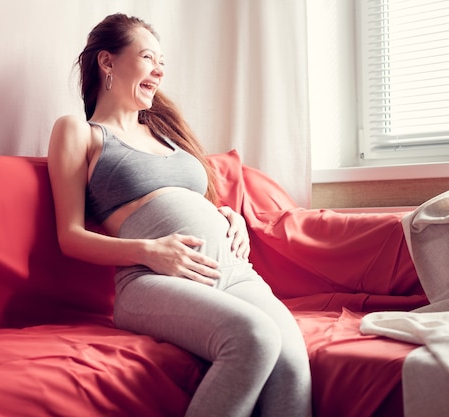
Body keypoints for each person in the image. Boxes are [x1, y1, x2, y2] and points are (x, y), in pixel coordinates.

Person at [47, 13, 312, 417]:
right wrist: (150, 251)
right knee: (254, 338)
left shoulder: (166, 135)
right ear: (107, 62)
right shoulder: (80, 132)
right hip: (151, 281)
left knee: (293, 362)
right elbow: (69, 237)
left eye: (162, 62)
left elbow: (192, 199)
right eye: (149, 57)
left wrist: (228, 214)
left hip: (233, 272)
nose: (160, 69)